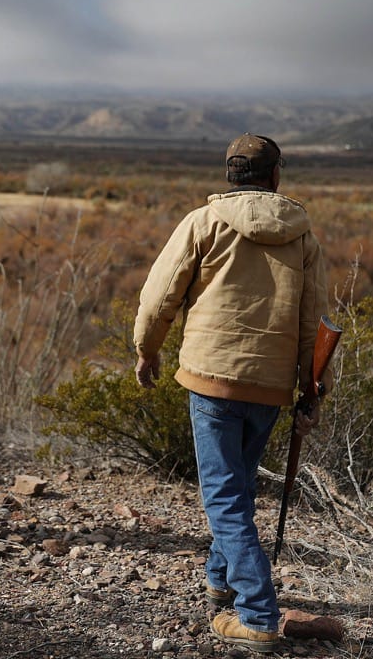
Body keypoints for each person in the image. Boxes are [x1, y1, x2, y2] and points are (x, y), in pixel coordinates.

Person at [133, 133, 328, 653]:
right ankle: (220, 579)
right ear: (275, 176)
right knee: (236, 488)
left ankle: (258, 615)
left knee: (223, 495)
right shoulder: (303, 237)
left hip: (211, 377)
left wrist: (146, 350)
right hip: (270, 386)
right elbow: (315, 325)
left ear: (230, 175)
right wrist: (311, 391)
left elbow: (159, 296)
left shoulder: (203, 222)